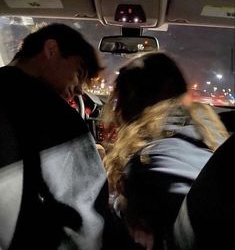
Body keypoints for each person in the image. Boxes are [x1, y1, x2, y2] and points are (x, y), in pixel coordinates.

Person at [0, 23, 116, 250]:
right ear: (51, 50)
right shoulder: (55, 116)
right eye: (79, 72)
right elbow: (87, 224)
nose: (80, 89)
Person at [102, 52, 229, 250]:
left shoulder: (145, 164)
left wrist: (118, 202)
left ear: (130, 104)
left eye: (118, 101)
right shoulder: (214, 139)